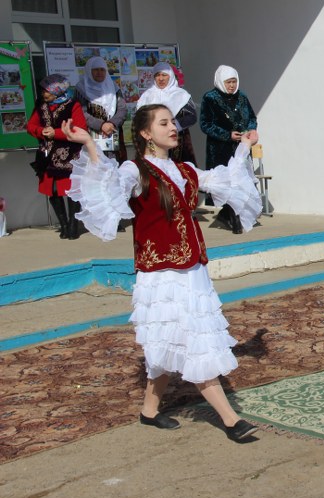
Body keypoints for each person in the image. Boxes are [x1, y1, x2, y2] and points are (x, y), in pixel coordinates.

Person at [62, 103, 262, 441]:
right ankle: (231, 420)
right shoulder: (134, 170)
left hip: (192, 270)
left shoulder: (184, 170)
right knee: (194, 342)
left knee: (169, 344)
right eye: (164, 123)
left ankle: (149, 411)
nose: (173, 128)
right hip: (161, 274)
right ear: (145, 133)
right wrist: (90, 144)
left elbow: (224, 179)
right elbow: (108, 186)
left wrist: (244, 146)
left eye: (173, 123)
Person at [26, 74, 88, 240]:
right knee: (52, 189)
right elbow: (30, 125)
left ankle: (73, 225)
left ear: (57, 90)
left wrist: (57, 133)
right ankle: (64, 224)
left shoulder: (73, 105)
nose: (44, 94)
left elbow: (80, 129)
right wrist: (41, 131)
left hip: (68, 154)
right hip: (46, 154)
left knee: (70, 189)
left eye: (47, 91)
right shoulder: (41, 105)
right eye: (43, 91)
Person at [200, 65, 258, 234]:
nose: (232, 85)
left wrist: (250, 130)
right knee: (227, 182)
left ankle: (231, 215)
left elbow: (252, 117)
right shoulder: (210, 98)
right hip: (220, 149)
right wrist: (227, 135)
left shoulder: (242, 96)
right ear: (220, 81)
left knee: (240, 181)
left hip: (241, 147)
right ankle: (232, 216)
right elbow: (205, 124)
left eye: (234, 81)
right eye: (228, 82)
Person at [137, 62, 197, 165]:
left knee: (179, 169)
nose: (161, 78)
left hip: (177, 140)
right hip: (153, 140)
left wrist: (172, 126)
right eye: (157, 75)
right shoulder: (147, 96)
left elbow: (192, 117)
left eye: (164, 75)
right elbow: (140, 118)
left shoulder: (181, 94)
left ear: (171, 76)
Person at [75, 56, 128, 164]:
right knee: (94, 167)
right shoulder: (81, 88)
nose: (99, 73)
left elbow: (122, 109)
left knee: (115, 166)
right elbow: (80, 112)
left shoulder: (113, 87)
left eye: (102, 70)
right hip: (90, 135)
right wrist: (101, 125)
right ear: (89, 71)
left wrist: (112, 124)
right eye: (95, 70)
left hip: (112, 134)